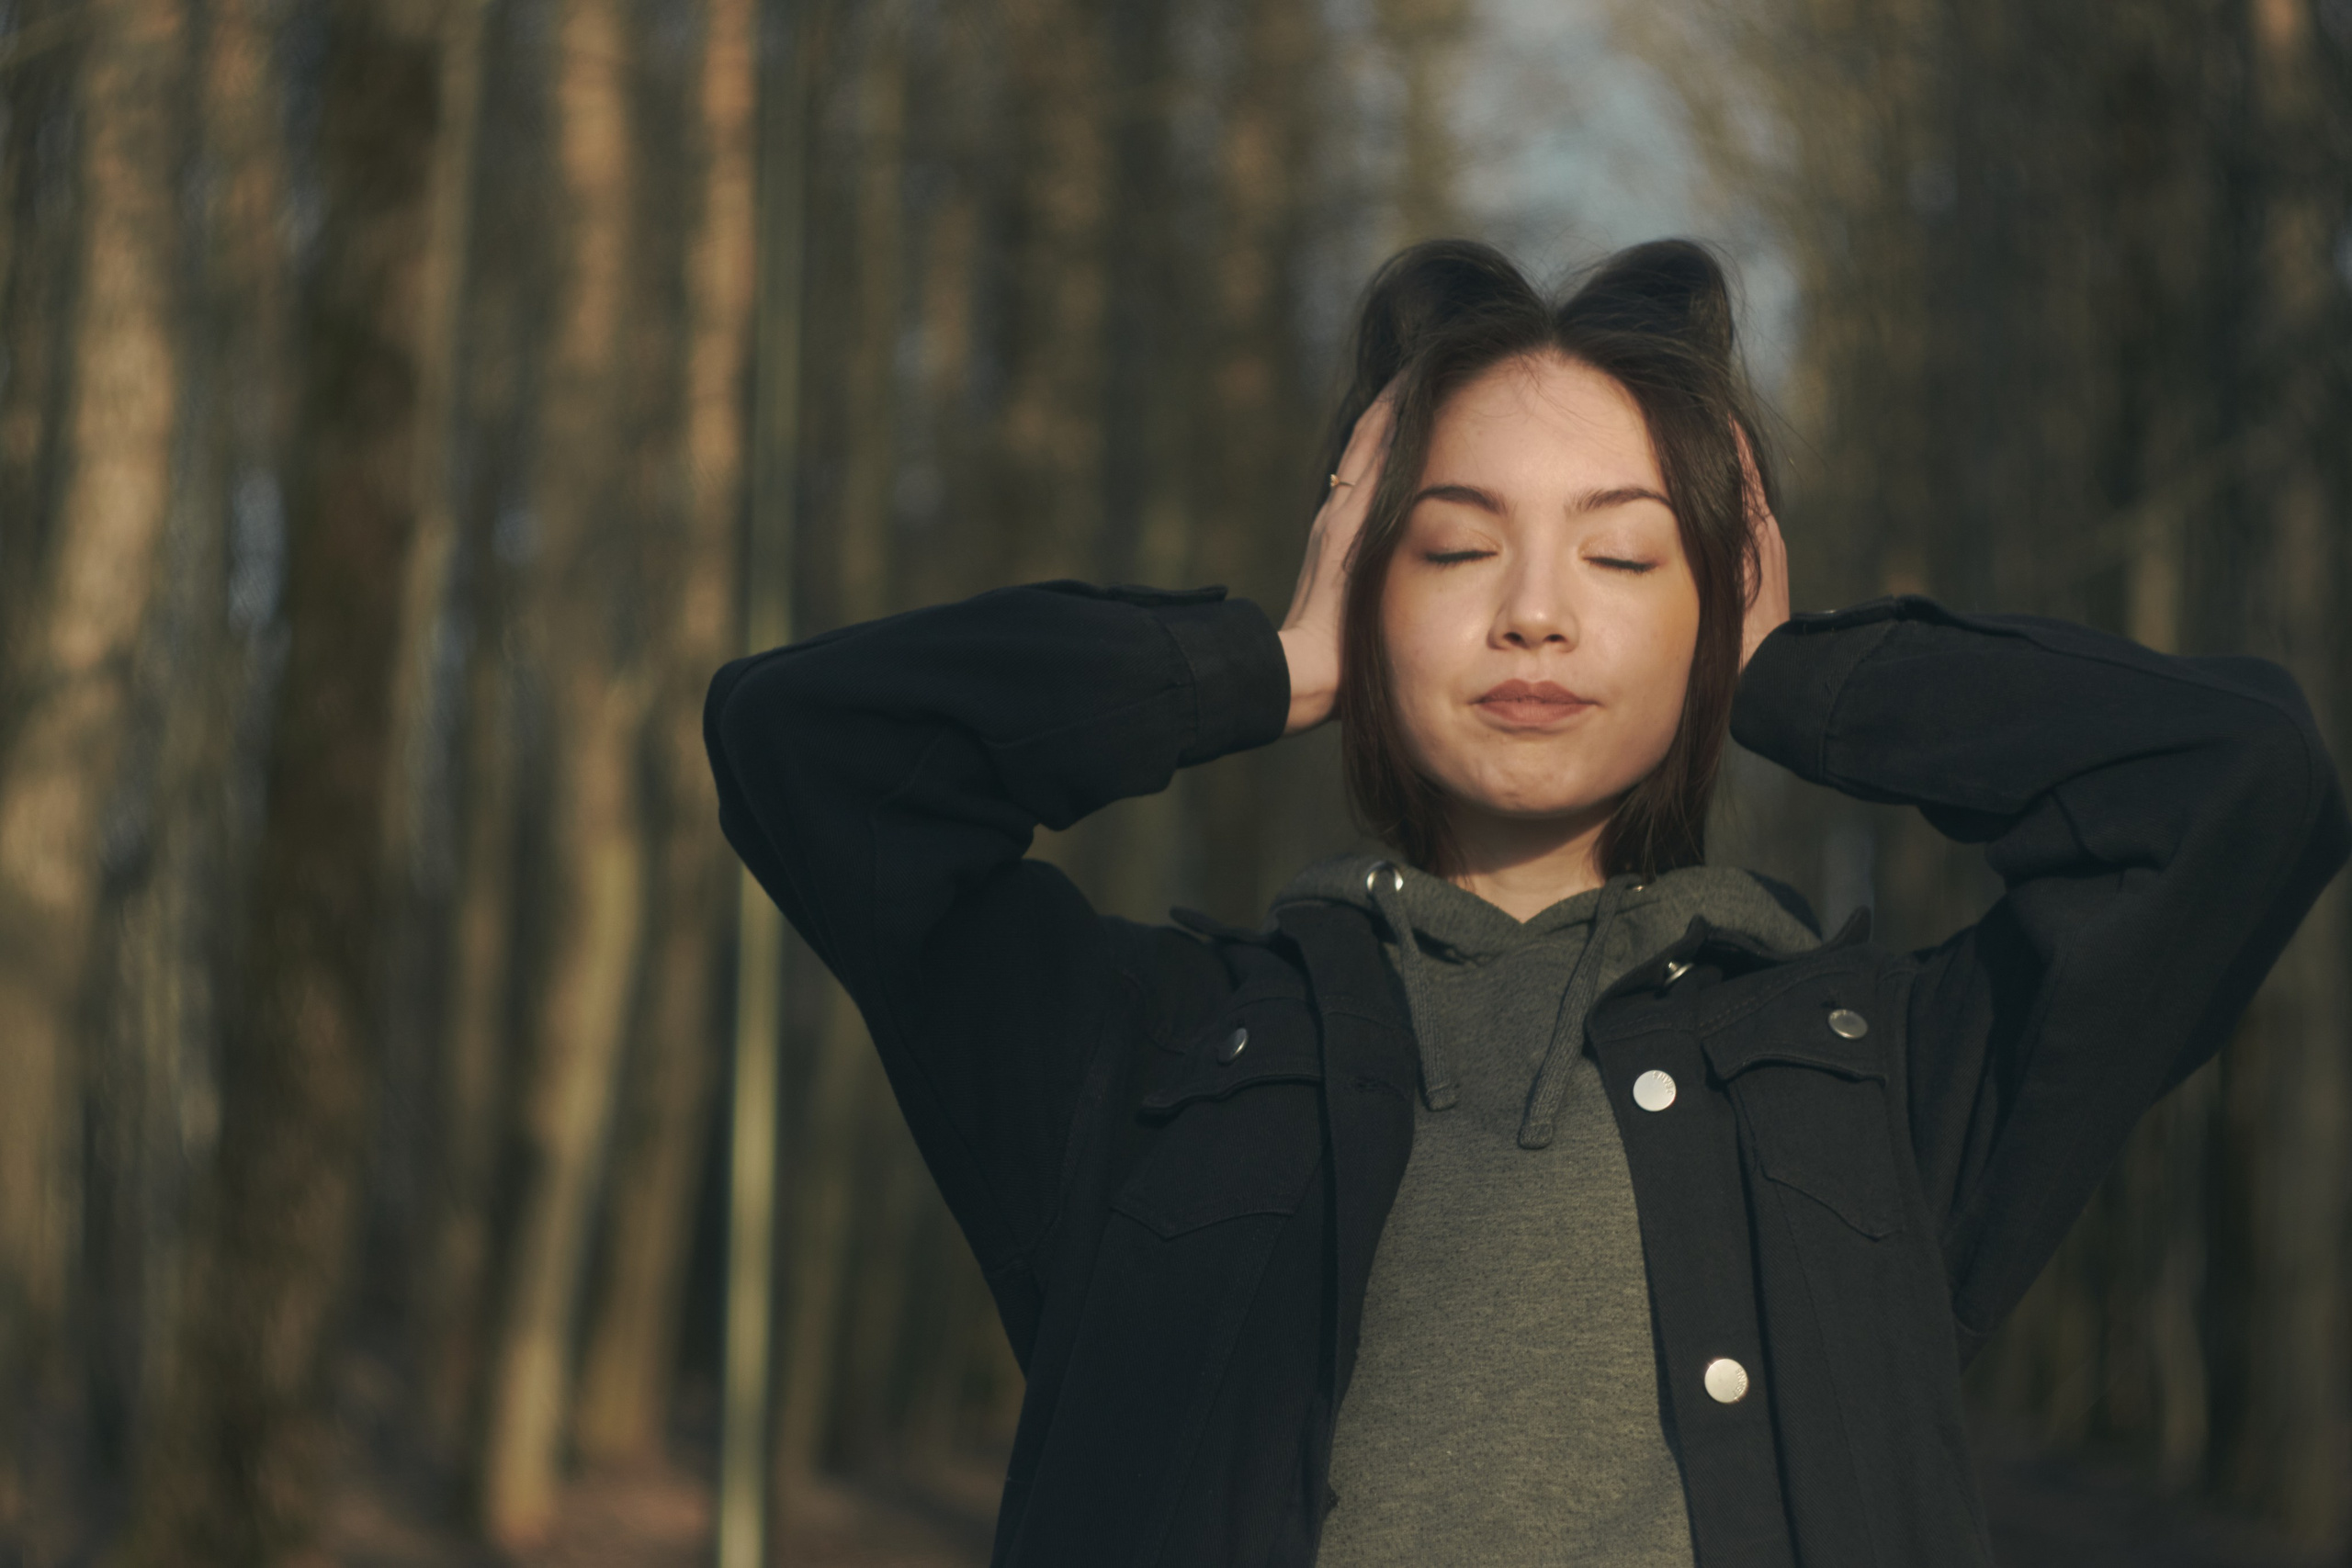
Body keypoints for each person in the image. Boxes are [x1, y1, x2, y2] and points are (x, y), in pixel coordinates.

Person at [704, 238, 2348, 1567]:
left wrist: (1791, 677)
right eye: (1455, 549)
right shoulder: (1144, 1055)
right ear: (1366, 586)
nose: (1540, 617)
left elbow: (2239, 789)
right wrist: (1265, 666)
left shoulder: (1885, 1083)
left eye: (1627, 559)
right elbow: (810, 749)